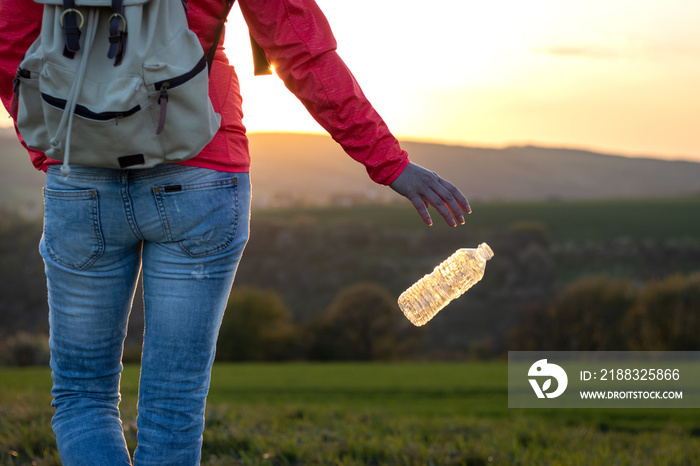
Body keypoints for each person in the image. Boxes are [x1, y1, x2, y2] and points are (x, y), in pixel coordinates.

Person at [0, 0, 470, 464]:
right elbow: (301, 50)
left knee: (83, 395)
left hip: (80, 178)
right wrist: (390, 162)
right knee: (173, 406)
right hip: (201, 173)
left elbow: (9, 46)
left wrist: (53, 151)